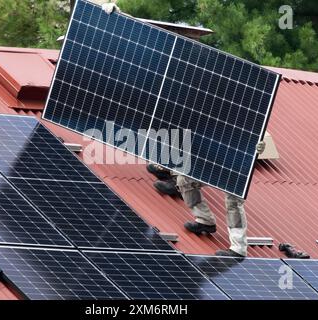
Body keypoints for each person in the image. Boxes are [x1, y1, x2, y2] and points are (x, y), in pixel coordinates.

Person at [100, 2, 265, 257]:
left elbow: (256, 130)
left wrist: (252, 148)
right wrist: (118, 15)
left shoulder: (244, 106)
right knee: (186, 178)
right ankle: (205, 221)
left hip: (237, 155)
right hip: (213, 149)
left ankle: (238, 248)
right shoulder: (206, 96)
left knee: (233, 199)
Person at [148, 141, 265, 258]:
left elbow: (257, 135)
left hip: (238, 166)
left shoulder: (248, 125)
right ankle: (205, 221)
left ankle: (238, 249)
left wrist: (258, 148)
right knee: (184, 180)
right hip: (214, 160)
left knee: (233, 202)